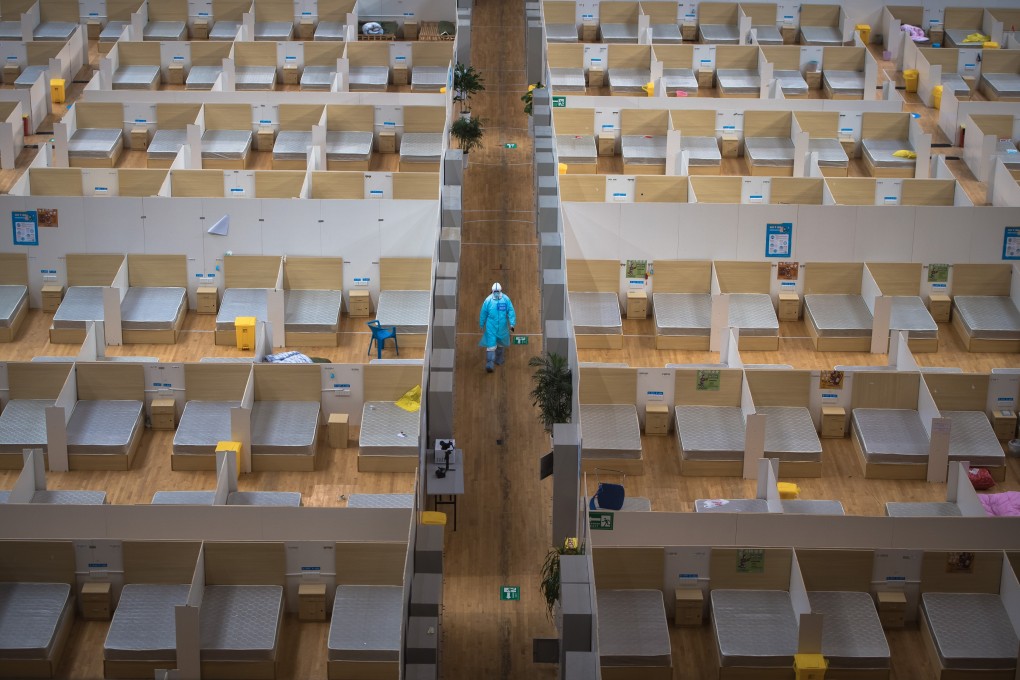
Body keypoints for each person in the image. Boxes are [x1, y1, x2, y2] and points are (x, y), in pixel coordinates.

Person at [479, 282, 516, 373]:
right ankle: (490, 364)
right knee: (491, 346)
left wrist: (512, 324)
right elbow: (483, 313)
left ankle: (499, 359)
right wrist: (481, 323)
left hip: (502, 327)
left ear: (500, 291)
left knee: (500, 344)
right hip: (491, 326)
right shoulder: (488, 301)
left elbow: (511, 311)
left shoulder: (506, 299)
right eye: (494, 291)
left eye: (497, 291)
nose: (496, 293)